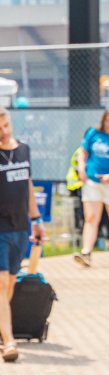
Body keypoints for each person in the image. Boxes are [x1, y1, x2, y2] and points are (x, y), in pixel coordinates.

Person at [0, 109, 42, 361]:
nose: (3, 132)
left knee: (10, 282)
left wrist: (36, 220)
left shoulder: (23, 149)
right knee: (0, 282)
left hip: (20, 227)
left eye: (6, 126)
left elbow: (28, 186)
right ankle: (9, 340)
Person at [74, 109, 109, 267]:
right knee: (91, 218)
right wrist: (81, 169)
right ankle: (86, 253)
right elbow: (83, 152)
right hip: (92, 183)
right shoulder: (93, 132)